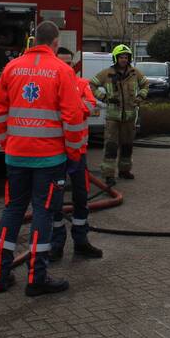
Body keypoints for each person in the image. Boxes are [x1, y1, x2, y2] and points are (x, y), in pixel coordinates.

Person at [0, 21, 84, 296]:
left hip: (16, 155)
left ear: (34, 41)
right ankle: (36, 277)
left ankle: (0, 274)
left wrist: (6, 142)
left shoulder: (12, 67)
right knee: (43, 212)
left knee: (12, 210)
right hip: (49, 158)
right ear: (55, 43)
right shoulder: (61, 71)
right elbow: (73, 117)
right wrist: (74, 151)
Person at [49, 49, 103, 261]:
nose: (67, 66)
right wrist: (73, 106)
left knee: (81, 198)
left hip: (78, 151)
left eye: (70, 62)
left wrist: (70, 105)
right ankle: (57, 244)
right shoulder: (51, 84)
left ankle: (81, 241)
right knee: (55, 201)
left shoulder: (82, 83)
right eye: (63, 62)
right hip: (57, 152)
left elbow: (90, 105)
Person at [90, 44, 148, 187]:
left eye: (126, 57)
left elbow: (145, 84)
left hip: (129, 118)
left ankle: (124, 170)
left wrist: (140, 97)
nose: (123, 59)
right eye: (121, 57)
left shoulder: (134, 73)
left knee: (127, 146)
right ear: (116, 58)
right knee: (111, 146)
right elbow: (91, 85)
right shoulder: (107, 73)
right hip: (113, 118)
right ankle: (109, 175)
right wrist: (103, 98)